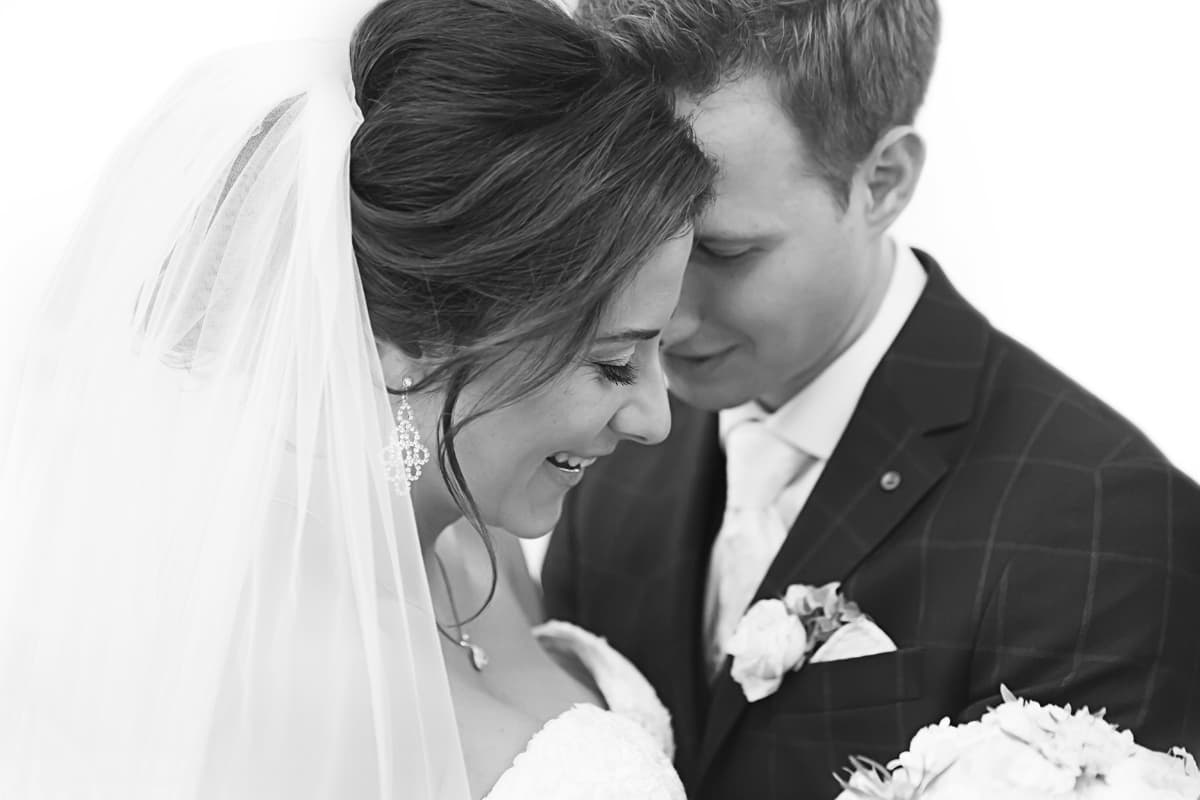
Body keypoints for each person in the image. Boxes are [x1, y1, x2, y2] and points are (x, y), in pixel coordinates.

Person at [0, 0, 715, 798]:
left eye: (659, 348)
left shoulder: (470, 538)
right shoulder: (268, 695)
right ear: (406, 342)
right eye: (614, 365)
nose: (657, 419)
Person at [543, 1, 1200, 798]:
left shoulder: (1104, 519)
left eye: (723, 250)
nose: (666, 316)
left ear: (882, 182)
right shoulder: (604, 438)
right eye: (628, 243)